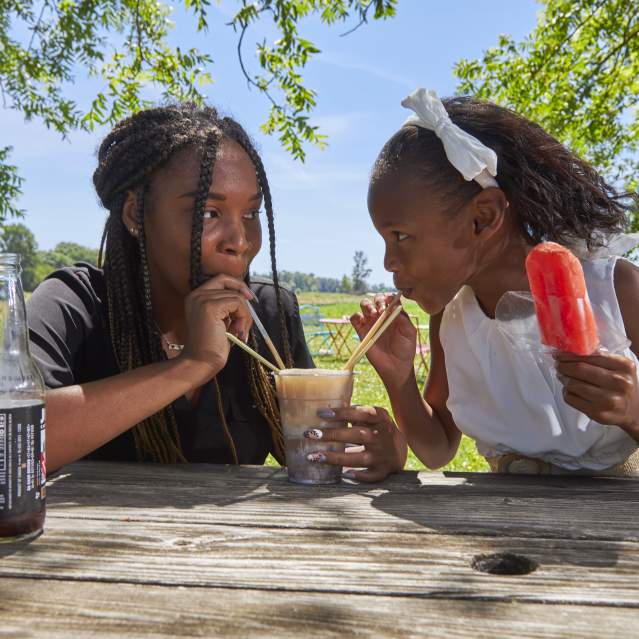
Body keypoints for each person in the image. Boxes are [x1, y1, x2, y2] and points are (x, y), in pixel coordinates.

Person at [27, 103, 405, 479]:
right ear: (134, 215)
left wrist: (372, 449)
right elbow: (15, 439)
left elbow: (308, 448)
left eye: (251, 214)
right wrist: (191, 365)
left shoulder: (268, 313)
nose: (240, 241)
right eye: (208, 213)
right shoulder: (74, 303)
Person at [346, 87, 639, 476]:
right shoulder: (453, 318)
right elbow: (437, 450)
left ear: (482, 218)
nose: (388, 262)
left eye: (400, 236)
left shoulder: (615, 291)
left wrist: (634, 410)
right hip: (497, 519)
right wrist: (400, 380)